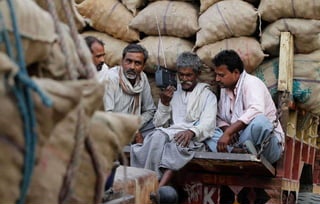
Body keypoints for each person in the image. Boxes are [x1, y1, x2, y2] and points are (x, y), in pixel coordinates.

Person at [130, 51, 217, 188]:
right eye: (181, 75)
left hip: (193, 138)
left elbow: (208, 123)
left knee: (177, 145)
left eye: (189, 75)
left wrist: (191, 131)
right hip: (171, 133)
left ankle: (158, 188)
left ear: (197, 74)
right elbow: (158, 123)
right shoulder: (172, 93)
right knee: (157, 136)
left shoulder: (208, 96)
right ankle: (144, 180)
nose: (184, 79)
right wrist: (164, 104)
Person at [205, 49, 284, 164]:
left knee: (261, 122)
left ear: (236, 73)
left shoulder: (252, 83)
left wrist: (229, 132)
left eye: (221, 75)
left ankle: (239, 151)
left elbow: (256, 110)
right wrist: (226, 129)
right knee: (207, 129)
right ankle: (237, 152)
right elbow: (219, 117)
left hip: (266, 146)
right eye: (216, 75)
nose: (217, 79)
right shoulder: (224, 89)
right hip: (240, 142)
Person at [103, 43, 156, 143]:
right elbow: (107, 114)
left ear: (143, 66)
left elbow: (150, 110)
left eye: (137, 63)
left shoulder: (142, 78)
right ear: (122, 61)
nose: (132, 67)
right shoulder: (111, 78)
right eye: (128, 61)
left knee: (159, 129)